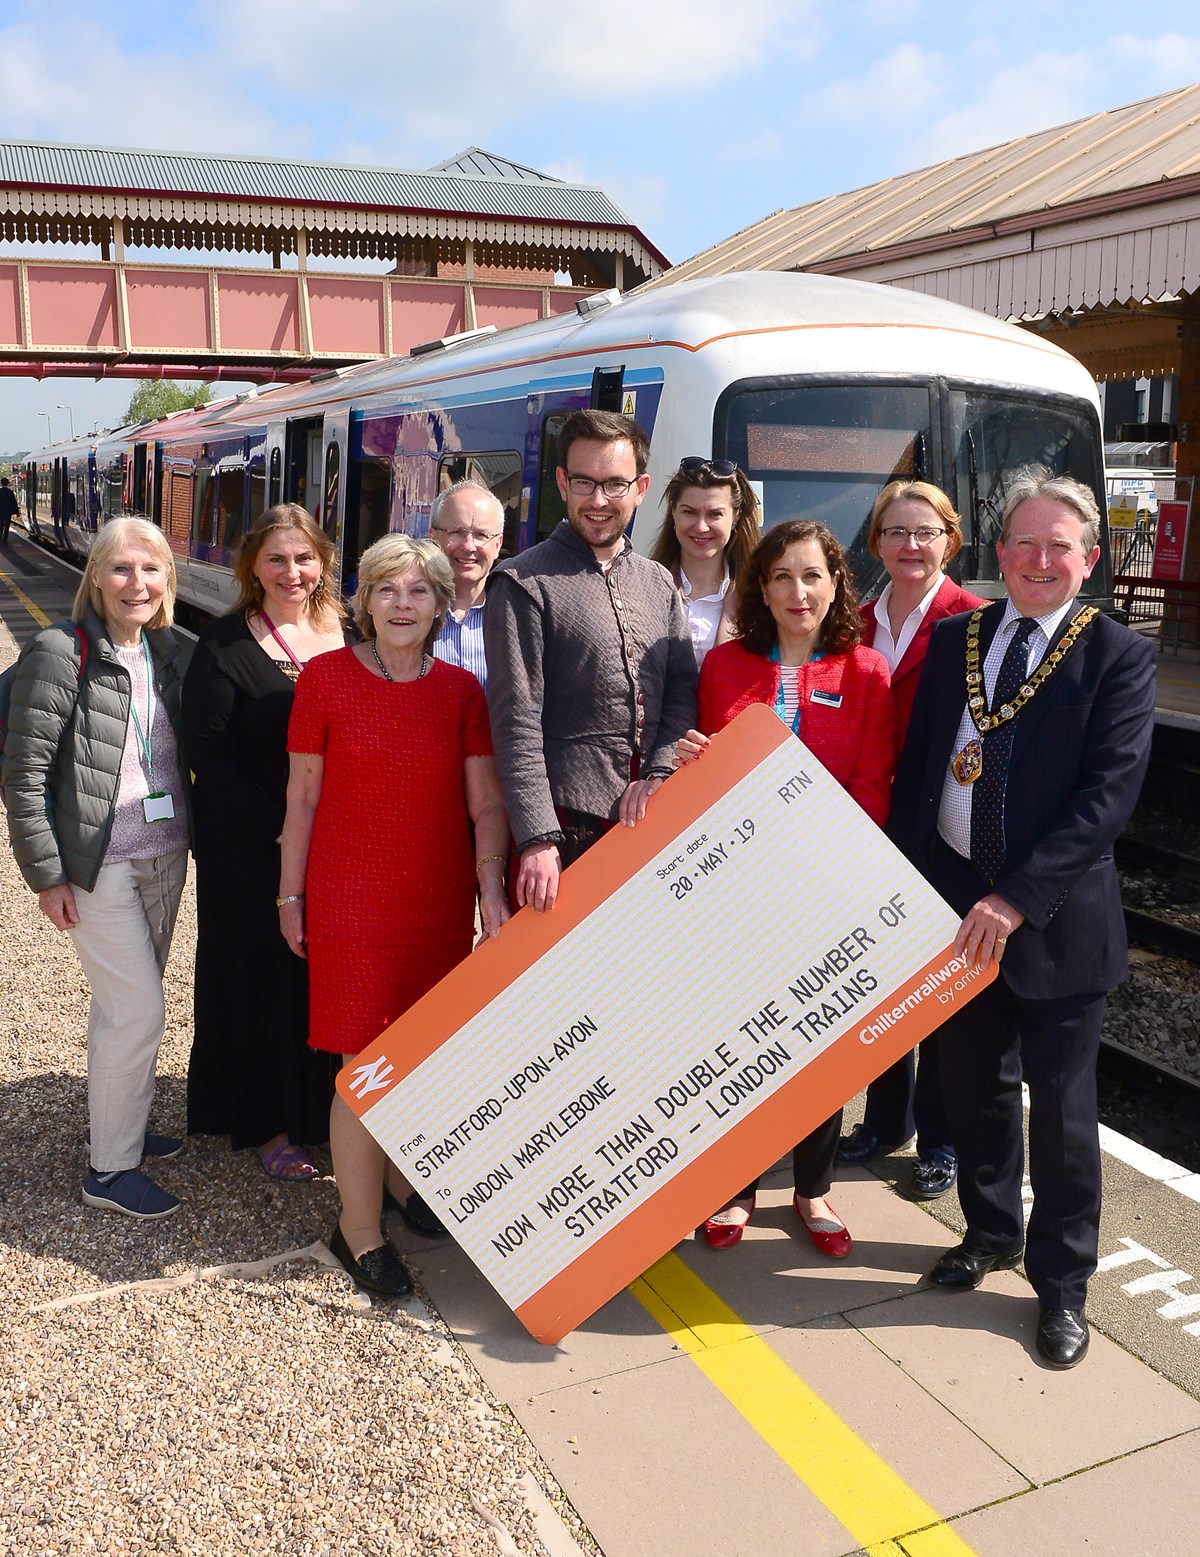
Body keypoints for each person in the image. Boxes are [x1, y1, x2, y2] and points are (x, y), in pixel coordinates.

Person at [889, 468, 1156, 1368]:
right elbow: (923, 770)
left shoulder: (1116, 655)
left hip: (1053, 925)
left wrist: (1013, 898)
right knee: (976, 1092)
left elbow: (1106, 800)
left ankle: (1062, 1284)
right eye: (1025, 543)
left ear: (1087, 559)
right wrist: (907, 887)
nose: (1040, 559)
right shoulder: (958, 635)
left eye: (1059, 546)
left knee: (1065, 1116)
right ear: (999, 554)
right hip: (954, 908)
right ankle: (991, 1229)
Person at [279, 535, 510, 1298]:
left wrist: (490, 891)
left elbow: (484, 803)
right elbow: (302, 798)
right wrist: (290, 894)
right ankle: (360, 1230)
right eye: (387, 590)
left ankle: (408, 1188)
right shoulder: (324, 680)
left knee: (423, 1058)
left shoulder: (461, 693)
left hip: (437, 903)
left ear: (441, 604)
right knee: (363, 1065)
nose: (402, 604)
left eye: (418, 591)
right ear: (365, 600)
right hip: (350, 900)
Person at [675, 520, 894, 1256]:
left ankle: (812, 1187)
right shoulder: (724, 668)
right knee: (734, 1042)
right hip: (735, 891)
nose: (797, 592)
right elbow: (704, 781)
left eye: (812, 575)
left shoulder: (866, 671)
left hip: (824, 890)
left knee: (819, 1047)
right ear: (759, 589)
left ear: (836, 584)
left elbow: (871, 785)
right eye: (781, 577)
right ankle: (733, 1189)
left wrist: (817, 864)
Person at [2, 517, 191, 1218]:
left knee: (122, 1006)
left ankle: (122, 1123)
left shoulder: (163, 649)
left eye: (150, 568)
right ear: (95, 578)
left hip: (164, 856)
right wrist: (46, 874)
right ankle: (110, 1171)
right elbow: (23, 776)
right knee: (139, 1007)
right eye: (120, 568)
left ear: (168, 579)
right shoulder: (59, 650)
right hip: (97, 864)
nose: (136, 583)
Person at [182, 505, 349, 1181]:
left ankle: (321, 1112)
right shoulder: (223, 645)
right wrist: (285, 824)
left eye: (304, 557)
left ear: (323, 562)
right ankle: (268, 1122)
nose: (292, 572)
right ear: (251, 563)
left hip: (343, 843)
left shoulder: (354, 631)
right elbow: (208, 756)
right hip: (251, 848)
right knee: (262, 975)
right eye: (276, 558)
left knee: (321, 976)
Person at [484, 409, 698, 911]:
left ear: (641, 487)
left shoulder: (658, 581)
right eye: (584, 482)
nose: (598, 500)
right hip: (565, 827)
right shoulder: (523, 583)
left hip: (653, 821)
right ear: (562, 482)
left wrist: (660, 774)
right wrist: (537, 838)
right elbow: (516, 723)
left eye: (615, 484)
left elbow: (682, 691)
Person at [839, 481, 986, 1199]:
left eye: (925, 532)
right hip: (870, 822)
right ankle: (884, 1118)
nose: (910, 545)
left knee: (941, 993)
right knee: (880, 980)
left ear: (948, 540)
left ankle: (943, 1139)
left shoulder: (975, 622)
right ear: (877, 543)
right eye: (895, 532)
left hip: (939, 826)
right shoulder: (859, 620)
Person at [650, 457, 760, 667]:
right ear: (673, 512)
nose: (701, 527)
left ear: (735, 517)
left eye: (714, 514)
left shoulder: (758, 597)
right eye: (689, 512)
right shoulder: (645, 587)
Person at [429, 478, 504, 693]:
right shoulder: (409, 611)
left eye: (481, 535)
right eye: (457, 532)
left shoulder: (519, 615)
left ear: (498, 545)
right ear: (433, 538)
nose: (469, 546)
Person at [0, 475, 18, 544]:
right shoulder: (10, 492)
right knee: (7, 524)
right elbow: (13, 502)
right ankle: (5, 538)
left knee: (1, 524)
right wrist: (16, 511)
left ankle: (0, 536)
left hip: (0, 511)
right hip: (8, 511)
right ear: (7, 483)